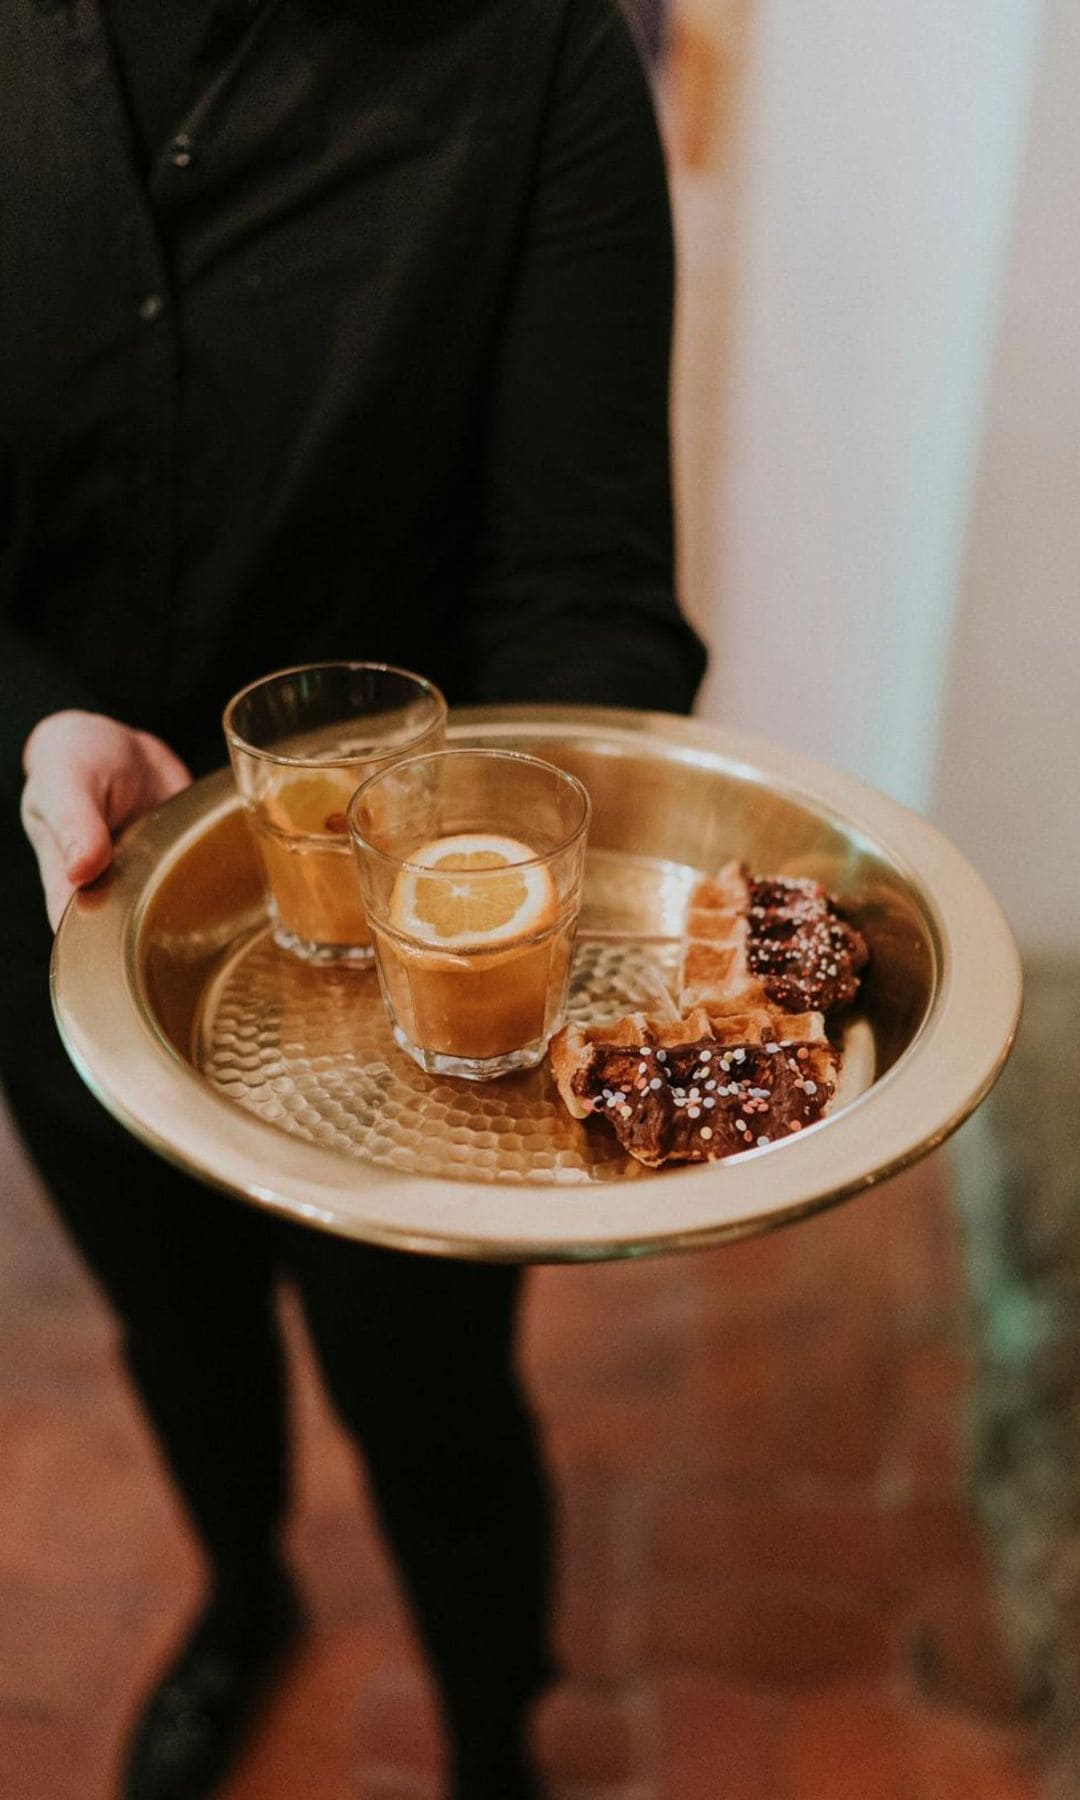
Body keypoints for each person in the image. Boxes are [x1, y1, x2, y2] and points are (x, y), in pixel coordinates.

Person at [1, 2, 706, 1797]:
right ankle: (243, 1595)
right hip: (51, 890)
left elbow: (587, 590)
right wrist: (31, 721)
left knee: (436, 1396)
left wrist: (510, 889)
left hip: (426, 960)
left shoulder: (536, 58)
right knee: (177, 1322)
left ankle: (493, 1737)